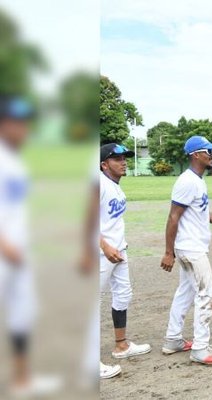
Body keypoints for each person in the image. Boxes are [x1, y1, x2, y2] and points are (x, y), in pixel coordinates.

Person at [0, 96, 61, 396]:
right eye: (16, 121)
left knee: (22, 315)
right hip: (5, 252)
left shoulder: (18, 160)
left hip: (21, 253)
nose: (23, 127)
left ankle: (22, 379)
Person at [160, 135, 212, 365]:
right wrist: (168, 252)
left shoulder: (197, 180)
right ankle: (200, 349)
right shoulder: (188, 181)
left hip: (190, 246)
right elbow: (173, 217)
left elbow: (203, 215)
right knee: (207, 294)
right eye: (208, 151)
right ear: (195, 154)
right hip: (191, 248)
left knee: (186, 292)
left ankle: (172, 339)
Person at [99, 143, 152, 369]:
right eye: (117, 158)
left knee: (123, 295)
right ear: (103, 164)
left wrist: (119, 245)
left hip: (119, 250)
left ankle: (121, 345)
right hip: (100, 254)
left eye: (124, 158)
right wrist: (104, 246)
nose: (123, 162)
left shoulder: (115, 185)